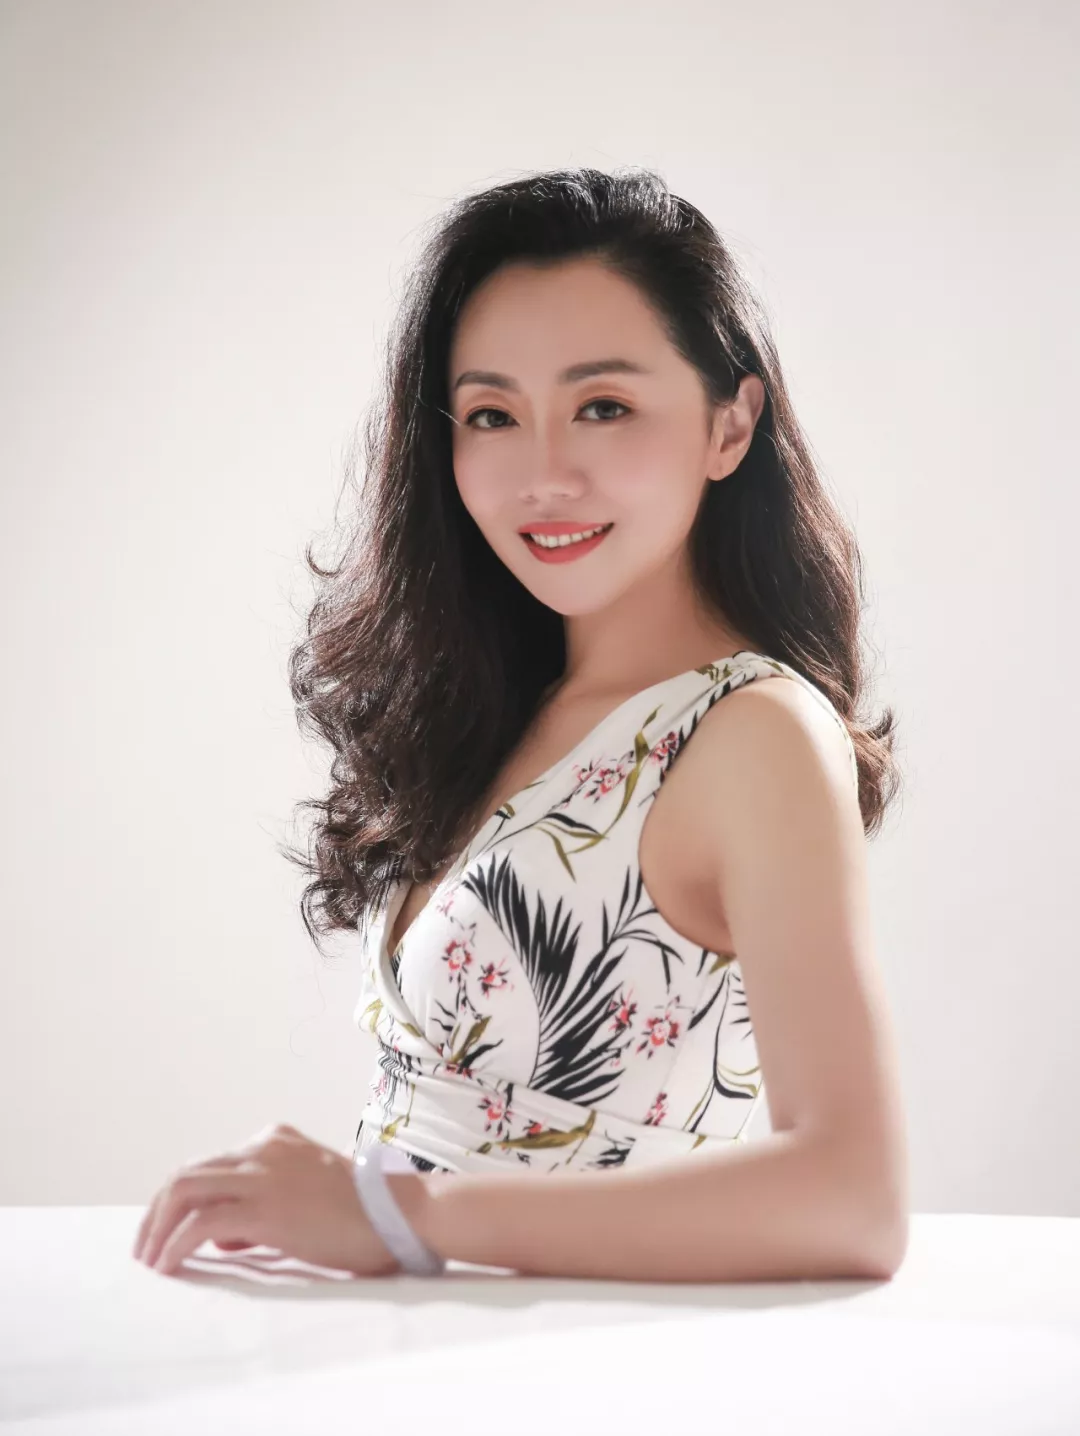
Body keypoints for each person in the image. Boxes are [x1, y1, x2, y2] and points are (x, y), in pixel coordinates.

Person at [132, 167, 909, 1284]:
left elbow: (852, 1201)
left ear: (730, 424)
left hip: (582, 1358)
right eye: (493, 415)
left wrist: (400, 1215)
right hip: (423, 1351)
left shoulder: (752, 733)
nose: (544, 476)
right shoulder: (510, 711)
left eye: (604, 406)